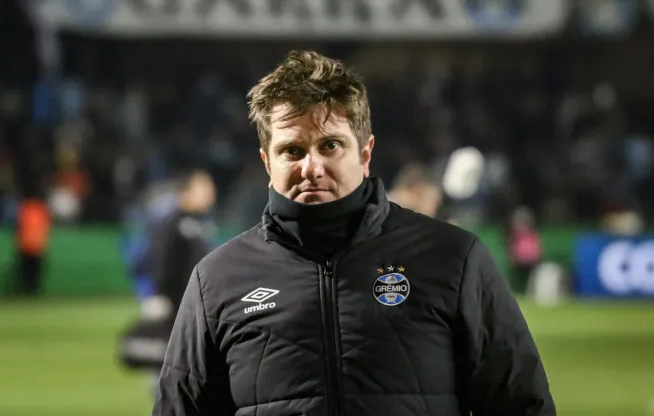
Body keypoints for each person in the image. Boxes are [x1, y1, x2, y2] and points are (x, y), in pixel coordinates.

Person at [153, 51, 555, 416]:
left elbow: (520, 403)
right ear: (266, 161)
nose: (311, 167)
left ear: (365, 154)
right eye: (292, 150)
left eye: (330, 146)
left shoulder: (453, 258)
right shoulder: (218, 280)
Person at [119, 170, 217, 378]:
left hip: (191, 304)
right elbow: (154, 260)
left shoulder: (199, 223)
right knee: (165, 364)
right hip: (170, 304)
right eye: (204, 188)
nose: (211, 193)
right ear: (187, 192)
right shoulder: (170, 223)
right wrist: (155, 295)